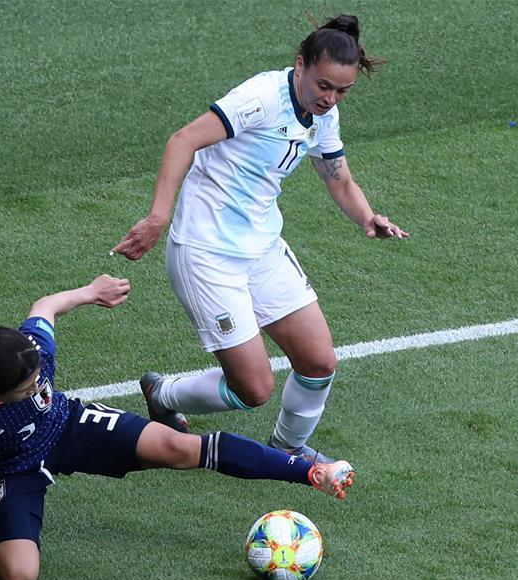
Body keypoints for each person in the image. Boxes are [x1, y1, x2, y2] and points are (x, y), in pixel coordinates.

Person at [0, 274, 354, 580]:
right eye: (29, 386)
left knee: (179, 446)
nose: (39, 383)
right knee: (18, 575)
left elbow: (44, 307)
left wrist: (91, 292)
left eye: (39, 376)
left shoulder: (28, 351)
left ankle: (307, 472)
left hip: (68, 426)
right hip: (12, 471)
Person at [112, 15, 408, 468]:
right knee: (253, 389)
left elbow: (339, 178)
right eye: (324, 85)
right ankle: (162, 392)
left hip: (263, 250)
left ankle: (287, 448)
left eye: (342, 91)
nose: (330, 99)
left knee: (319, 361)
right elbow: (182, 140)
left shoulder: (322, 114)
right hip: (206, 253)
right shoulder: (261, 99)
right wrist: (158, 216)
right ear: (300, 65)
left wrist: (368, 217)